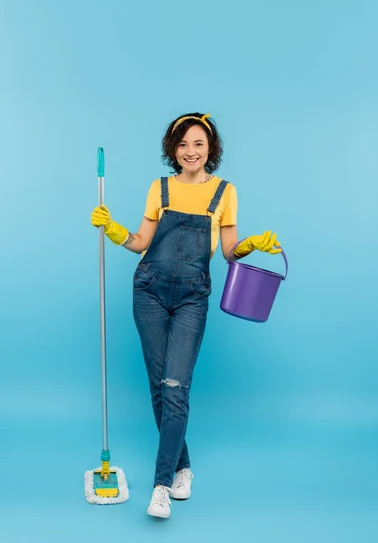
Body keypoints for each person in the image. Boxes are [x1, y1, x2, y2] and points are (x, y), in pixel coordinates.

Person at [91, 112, 281, 519]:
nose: (190, 151)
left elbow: (229, 253)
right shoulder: (159, 189)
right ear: (171, 150)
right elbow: (142, 240)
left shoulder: (225, 192)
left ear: (210, 148)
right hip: (149, 292)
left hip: (192, 297)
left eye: (198, 143)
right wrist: (114, 230)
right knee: (161, 389)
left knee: (176, 387)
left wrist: (253, 245)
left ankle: (160, 487)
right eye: (182, 144)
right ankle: (182, 466)